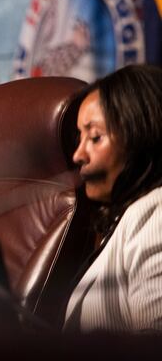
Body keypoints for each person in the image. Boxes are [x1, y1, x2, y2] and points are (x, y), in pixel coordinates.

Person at [64, 64, 162, 333]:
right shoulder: (129, 216)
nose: (78, 155)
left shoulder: (155, 211)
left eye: (95, 137)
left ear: (141, 135)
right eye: (79, 137)